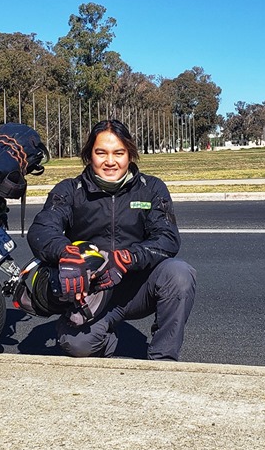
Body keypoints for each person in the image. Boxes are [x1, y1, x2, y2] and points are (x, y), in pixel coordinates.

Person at [26, 119, 196, 361]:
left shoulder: (152, 188)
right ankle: (106, 339)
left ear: (130, 154)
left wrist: (128, 258)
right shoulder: (69, 190)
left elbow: (167, 238)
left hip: (137, 287)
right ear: (89, 155)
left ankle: (164, 359)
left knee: (179, 274)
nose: (110, 161)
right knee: (78, 346)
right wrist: (65, 252)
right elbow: (42, 229)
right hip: (92, 291)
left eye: (119, 153)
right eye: (100, 153)